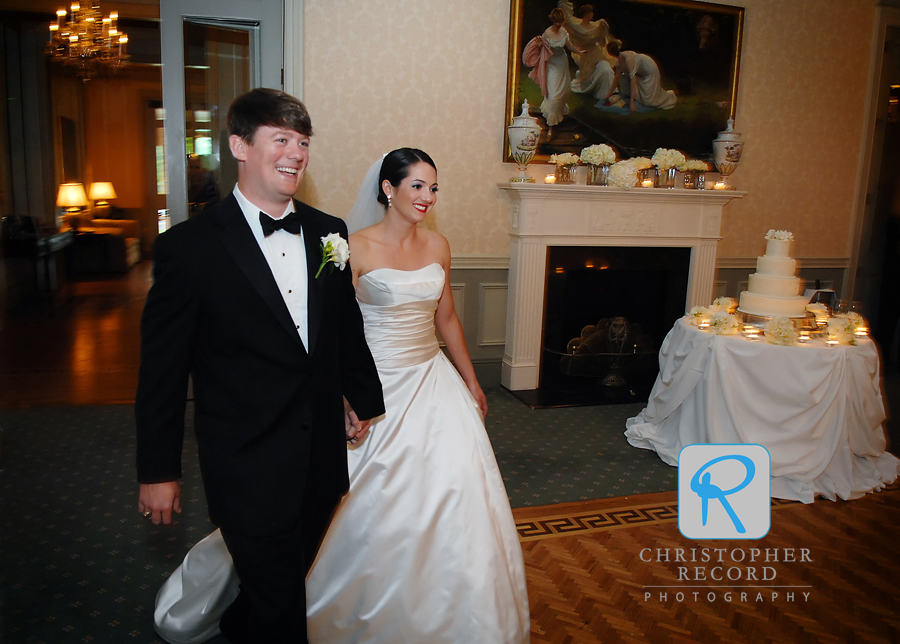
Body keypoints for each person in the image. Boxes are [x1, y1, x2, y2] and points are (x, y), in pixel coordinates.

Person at [153, 149, 531, 644]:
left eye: (434, 188)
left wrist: (472, 380)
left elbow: (447, 319)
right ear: (388, 189)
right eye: (416, 185)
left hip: (433, 385)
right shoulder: (350, 246)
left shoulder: (438, 245)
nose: (427, 197)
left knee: (455, 492)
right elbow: (331, 332)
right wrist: (340, 395)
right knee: (336, 502)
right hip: (374, 388)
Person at [136, 87, 385, 644]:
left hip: (319, 449)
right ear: (240, 147)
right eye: (280, 139)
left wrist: (357, 396)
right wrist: (158, 470)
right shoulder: (189, 248)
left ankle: (242, 623)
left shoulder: (329, 233)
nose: (295, 153)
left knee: (282, 578)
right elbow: (162, 372)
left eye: (302, 142)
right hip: (245, 457)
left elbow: (343, 328)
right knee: (281, 606)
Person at [523, 7, 585, 139]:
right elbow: (542, 50)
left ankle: (558, 113)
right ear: (553, 20)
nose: (558, 24)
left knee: (564, 91)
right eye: (556, 22)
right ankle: (551, 125)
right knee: (554, 94)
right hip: (551, 65)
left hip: (562, 64)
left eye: (560, 21)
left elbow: (569, 45)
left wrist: (579, 52)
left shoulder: (563, 31)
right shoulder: (547, 33)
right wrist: (539, 45)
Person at [558, 1, 617, 99]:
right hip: (585, 57)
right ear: (586, 14)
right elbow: (568, 27)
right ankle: (598, 89)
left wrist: (602, 31)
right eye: (591, 13)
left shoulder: (597, 26)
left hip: (597, 54)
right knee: (589, 78)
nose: (592, 14)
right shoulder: (577, 28)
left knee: (606, 69)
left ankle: (607, 93)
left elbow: (602, 43)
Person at [601, 41, 677, 112]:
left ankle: (669, 96)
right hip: (639, 74)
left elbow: (633, 81)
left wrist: (631, 103)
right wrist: (608, 95)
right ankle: (632, 98)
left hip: (649, 72)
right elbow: (616, 78)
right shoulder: (618, 61)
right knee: (623, 78)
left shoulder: (628, 59)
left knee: (649, 102)